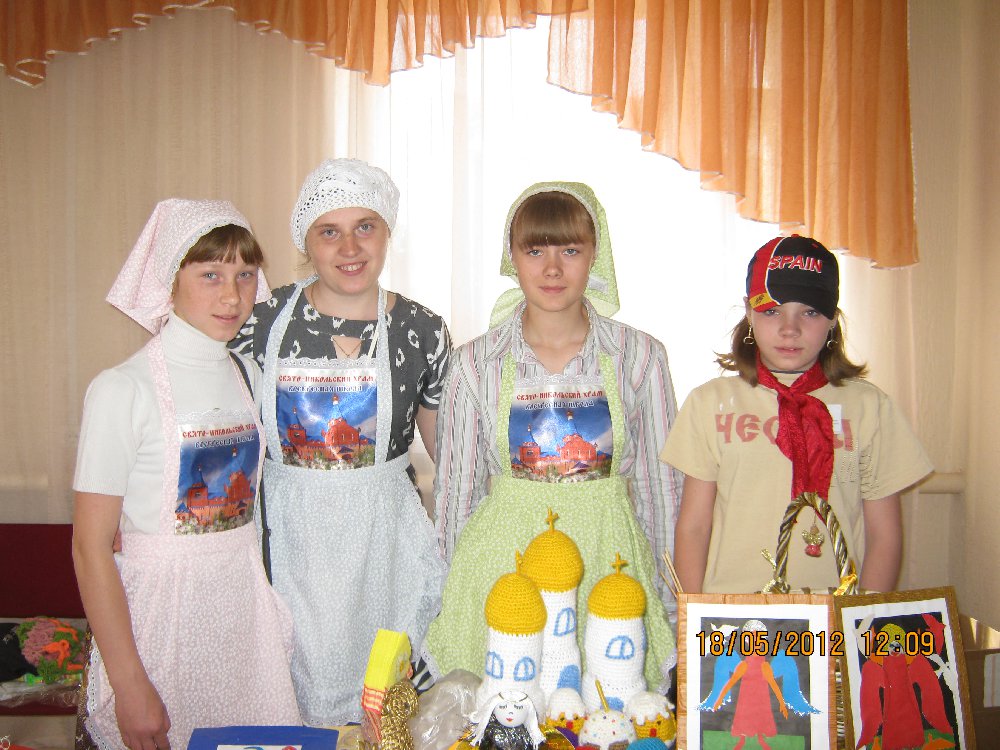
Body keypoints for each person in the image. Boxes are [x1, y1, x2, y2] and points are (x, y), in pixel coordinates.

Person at [423, 181, 682, 697]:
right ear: (512, 257)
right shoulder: (474, 364)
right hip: (504, 569)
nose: (553, 269)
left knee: (606, 707)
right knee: (510, 707)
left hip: (609, 565)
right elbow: (456, 495)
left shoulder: (640, 358)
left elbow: (661, 491)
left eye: (570, 250)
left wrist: (672, 601)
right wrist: (448, 594)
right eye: (535, 250)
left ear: (595, 254)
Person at [72, 199, 300, 750]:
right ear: (169, 280)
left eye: (246, 274)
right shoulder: (121, 389)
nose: (233, 296)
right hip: (159, 625)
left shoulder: (246, 374)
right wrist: (129, 685)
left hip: (241, 620)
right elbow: (89, 547)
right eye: (210, 275)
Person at [230, 158, 450, 725]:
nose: (350, 247)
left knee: (385, 706)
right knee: (292, 707)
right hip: (288, 545)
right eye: (329, 231)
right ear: (306, 242)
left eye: (365, 227)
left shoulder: (423, 331)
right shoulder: (260, 320)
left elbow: (448, 459)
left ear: (387, 233)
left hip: (386, 546)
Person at [662, 234, 933, 595]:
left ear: (832, 319)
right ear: (749, 313)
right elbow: (694, 528)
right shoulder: (709, 403)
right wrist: (693, 614)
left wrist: (861, 619)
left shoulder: (871, 408)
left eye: (810, 312)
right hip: (732, 614)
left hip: (833, 611)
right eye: (772, 311)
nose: (790, 329)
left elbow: (884, 535)